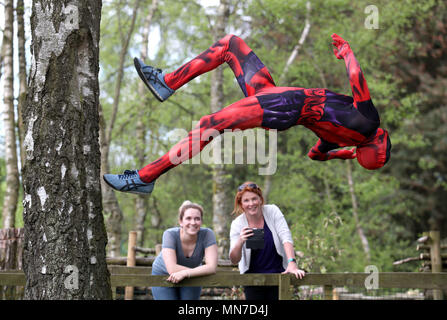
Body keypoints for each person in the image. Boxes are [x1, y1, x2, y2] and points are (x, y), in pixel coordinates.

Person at [103, 33, 391, 195]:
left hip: (283, 106)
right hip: (276, 99)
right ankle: (167, 82)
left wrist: (348, 52)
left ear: (379, 140)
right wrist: (344, 154)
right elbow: (315, 155)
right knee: (230, 45)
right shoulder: (342, 140)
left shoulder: (369, 123)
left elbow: (356, 78)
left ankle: (145, 176)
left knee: (209, 124)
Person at [229, 182, 305, 300]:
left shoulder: (273, 211)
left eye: (254, 199)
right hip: (252, 281)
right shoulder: (237, 224)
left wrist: (292, 263)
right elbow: (234, 260)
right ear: (241, 204)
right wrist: (240, 241)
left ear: (260, 199)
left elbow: (285, 236)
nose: (251, 204)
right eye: (246, 201)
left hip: (279, 275)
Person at [151, 200, 218, 300]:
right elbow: (172, 269)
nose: (193, 222)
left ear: (201, 221)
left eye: (197, 219)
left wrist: (186, 273)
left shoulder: (208, 234)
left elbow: (212, 267)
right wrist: (200, 271)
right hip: (164, 274)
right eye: (188, 218)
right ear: (180, 221)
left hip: (193, 276)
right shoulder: (170, 234)